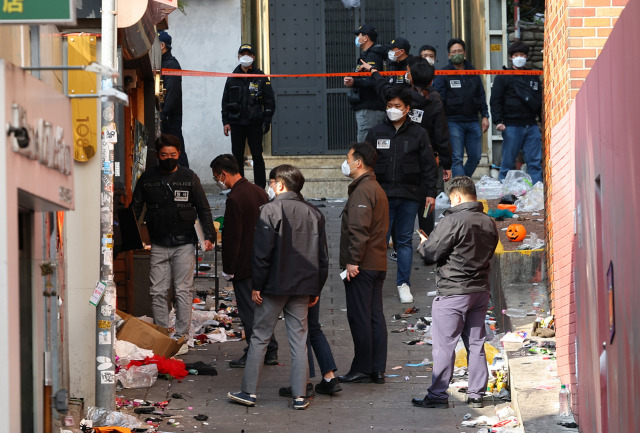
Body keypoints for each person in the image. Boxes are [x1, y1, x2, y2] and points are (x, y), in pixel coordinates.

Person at [228, 165, 329, 411]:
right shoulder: (314, 213)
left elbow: (261, 254)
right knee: (299, 340)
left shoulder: (270, 211)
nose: (270, 187)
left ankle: (249, 392)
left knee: (260, 337)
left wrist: (257, 286)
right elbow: (322, 258)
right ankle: (299, 396)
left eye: (272, 183)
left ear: (280, 185)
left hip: (273, 286)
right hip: (303, 286)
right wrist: (316, 289)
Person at [413, 176, 498, 409]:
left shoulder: (453, 220)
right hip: (480, 291)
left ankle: (438, 395)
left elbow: (430, 254)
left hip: (453, 292)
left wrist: (423, 243)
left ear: (458, 197)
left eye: (451, 200)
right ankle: (476, 394)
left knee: (444, 345)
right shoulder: (489, 221)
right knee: (476, 343)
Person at [131, 134, 215, 340]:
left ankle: (181, 336)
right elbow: (134, 208)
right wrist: (130, 238)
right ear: (158, 155)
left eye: (173, 154)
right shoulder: (148, 178)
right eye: (164, 154)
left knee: (183, 291)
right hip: (157, 243)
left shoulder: (189, 177)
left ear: (179, 154)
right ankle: (162, 334)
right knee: (157, 291)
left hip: (185, 243)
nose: (168, 158)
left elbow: (203, 209)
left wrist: (209, 236)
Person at [362, 56, 451, 236]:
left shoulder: (403, 96)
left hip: (403, 155)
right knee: (427, 201)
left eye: (408, 71)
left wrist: (374, 72)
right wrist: (446, 163)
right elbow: (441, 133)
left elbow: (383, 88)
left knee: (400, 201)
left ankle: (398, 238)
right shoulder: (435, 100)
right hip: (427, 158)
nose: (406, 73)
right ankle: (426, 238)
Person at [365, 86, 438, 304]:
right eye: (389, 106)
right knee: (379, 240)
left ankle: (403, 284)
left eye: (397, 106)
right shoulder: (376, 132)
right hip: (382, 196)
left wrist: (431, 194)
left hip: (409, 195)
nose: (393, 110)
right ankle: (374, 283)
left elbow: (428, 167)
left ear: (407, 109)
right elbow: (366, 165)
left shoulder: (419, 133)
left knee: (405, 241)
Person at [210, 154, 278, 368]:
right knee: (262, 310)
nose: (217, 181)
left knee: (249, 311)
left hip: (244, 264)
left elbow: (232, 237)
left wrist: (228, 268)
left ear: (224, 173)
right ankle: (270, 349)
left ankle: (256, 351)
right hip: (263, 260)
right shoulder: (259, 191)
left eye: (216, 176)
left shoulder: (235, 198)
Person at [337, 142, 389, 385]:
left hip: (363, 264)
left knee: (361, 317)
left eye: (348, 158)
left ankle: (363, 367)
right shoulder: (374, 187)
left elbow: (359, 229)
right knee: (374, 316)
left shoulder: (363, 190)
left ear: (358, 162)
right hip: (376, 263)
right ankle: (376, 368)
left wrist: (352, 261)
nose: (346, 162)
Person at [221, 43, 275, 189]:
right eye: (242, 54)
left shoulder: (260, 77)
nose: (245, 57)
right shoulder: (232, 78)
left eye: (249, 54)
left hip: (254, 123)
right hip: (236, 123)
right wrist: (225, 122)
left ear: (253, 57)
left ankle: (259, 189)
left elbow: (270, 102)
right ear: (238, 57)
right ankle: (239, 188)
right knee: (237, 157)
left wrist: (267, 120)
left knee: (257, 156)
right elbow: (225, 102)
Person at [434, 38, 490, 178]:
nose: (457, 54)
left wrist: (485, 116)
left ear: (464, 53)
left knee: (476, 156)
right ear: (449, 55)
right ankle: (461, 190)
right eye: (453, 52)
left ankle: (462, 182)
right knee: (457, 158)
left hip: (472, 120)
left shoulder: (473, 72)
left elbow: (481, 94)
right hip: (453, 121)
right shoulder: (443, 73)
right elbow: (440, 99)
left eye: (459, 51)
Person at [490, 41, 543, 185]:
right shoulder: (503, 77)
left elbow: (539, 101)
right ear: (511, 58)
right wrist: (498, 121)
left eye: (522, 55)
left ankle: (538, 194)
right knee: (507, 164)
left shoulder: (533, 77)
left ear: (526, 57)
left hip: (531, 125)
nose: (519, 58)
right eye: (516, 55)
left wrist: (543, 122)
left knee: (535, 163)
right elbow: (495, 100)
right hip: (511, 126)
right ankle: (504, 196)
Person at [344, 23, 387, 141]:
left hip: (370, 108)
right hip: (370, 107)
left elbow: (373, 81)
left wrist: (354, 82)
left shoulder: (372, 56)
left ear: (366, 38)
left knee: (365, 145)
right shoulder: (370, 55)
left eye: (359, 35)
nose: (357, 38)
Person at [158, 31, 188, 168]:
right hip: (165, 116)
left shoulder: (171, 65)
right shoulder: (162, 64)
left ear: (162, 45)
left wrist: (164, 113)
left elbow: (172, 92)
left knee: (175, 149)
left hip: (170, 117)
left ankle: (186, 178)